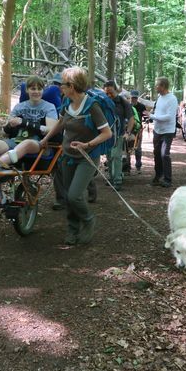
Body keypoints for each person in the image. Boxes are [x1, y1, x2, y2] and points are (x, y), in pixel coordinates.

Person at [39, 67, 112, 245]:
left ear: (71, 86)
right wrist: (46, 139)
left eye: (62, 84)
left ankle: (88, 220)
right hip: (67, 155)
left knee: (74, 195)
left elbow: (107, 133)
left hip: (87, 157)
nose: (59, 87)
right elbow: (61, 122)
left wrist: (87, 145)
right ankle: (73, 228)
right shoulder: (66, 101)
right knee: (67, 196)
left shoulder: (91, 105)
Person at [0, 75, 58, 207]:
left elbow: (50, 130)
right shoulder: (19, 107)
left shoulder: (49, 107)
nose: (36, 91)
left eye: (39, 88)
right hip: (17, 141)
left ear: (43, 90)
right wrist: (9, 125)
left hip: (40, 145)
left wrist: (24, 122)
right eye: (32, 88)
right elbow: (4, 132)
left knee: (26, 144)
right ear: (27, 91)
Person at [103, 80, 134, 190]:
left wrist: (128, 132)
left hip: (119, 134)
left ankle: (117, 180)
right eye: (106, 93)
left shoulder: (123, 102)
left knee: (116, 156)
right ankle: (112, 178)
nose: (109, 95)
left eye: (111, 92)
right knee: (109, 157)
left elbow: (131, 118)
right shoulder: (103, 101)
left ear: (116, 90)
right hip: (106, 135)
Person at [149, 77, 178, 188]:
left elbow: (169, 117)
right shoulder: (159, 97)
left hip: (168, 131)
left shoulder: (172, 99)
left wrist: (151, 116)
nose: (156, 87)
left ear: (163, 86)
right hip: (157, 130)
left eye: (157, 85)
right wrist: (152, 113)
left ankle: (167, 179)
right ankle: (158, 176)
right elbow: (158, 111)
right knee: (156, 153)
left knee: (164, 154)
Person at [127, 90, 148, 174]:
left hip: (138, 130)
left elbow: (145, 116)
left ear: (137, 98)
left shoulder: (141, 106)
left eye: (135, 98)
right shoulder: (127, 106)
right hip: (128, 130)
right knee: (127, 148)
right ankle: (127, 167)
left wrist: (146, 121)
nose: (133, 99)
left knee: (138, 148)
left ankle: (138, 165)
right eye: (132, 97)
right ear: (130, 97)